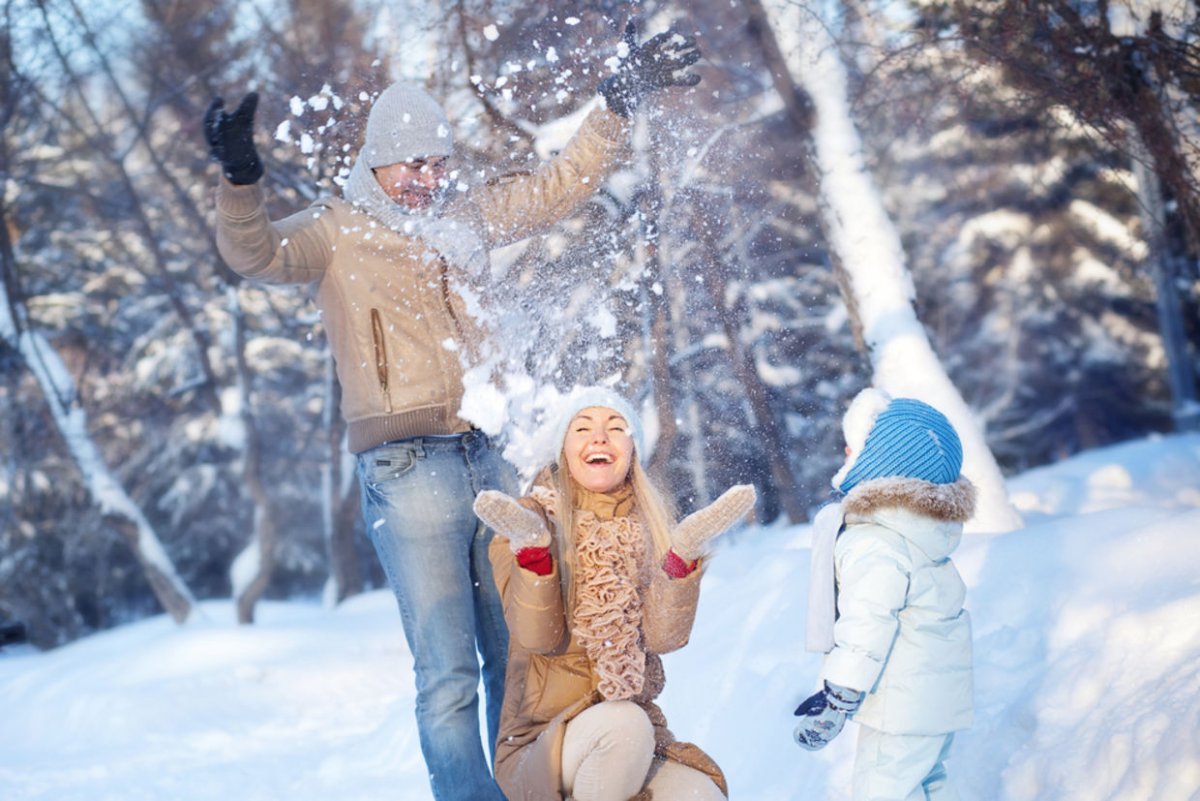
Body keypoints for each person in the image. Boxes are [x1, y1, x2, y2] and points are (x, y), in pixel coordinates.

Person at [202, 23, 702, 801]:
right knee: (447, 673)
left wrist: (614, 104)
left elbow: (560, 184)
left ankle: (528, 788)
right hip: (407, 468)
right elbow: (256, 254)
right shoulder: (335, 231)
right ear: (377, 159)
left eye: (438, 163)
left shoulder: (464, 216)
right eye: (413, 163)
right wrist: (241, 179)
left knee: (520, 656)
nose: (427, 179)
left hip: (486, 455)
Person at [472, 386, 756, 801]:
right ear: (563, 450)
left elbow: (663, 638)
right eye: (582, 428)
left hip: (632, 738)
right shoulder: (530, 520)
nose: (600, 437)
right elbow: (537, 636)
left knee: (699, 793)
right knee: (624, 725)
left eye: (616, 427)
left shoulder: (648, 526)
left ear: (632, 450)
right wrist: (535, 554)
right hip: (545, 742)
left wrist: (681, 556)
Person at [794, 388, 975, 801]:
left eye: (856, 447)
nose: (846, 452)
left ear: (884, 462)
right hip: (932, 702)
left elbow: (867, 623)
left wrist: (840, 695)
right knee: (927, 784)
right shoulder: (922, 538)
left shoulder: (876, 542)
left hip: (899, 705)